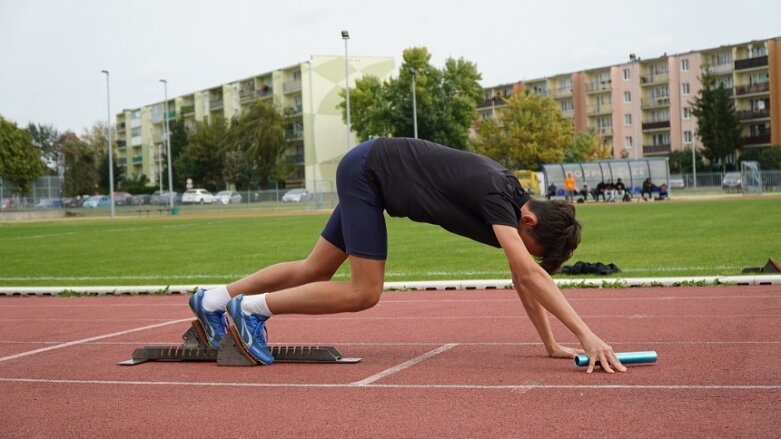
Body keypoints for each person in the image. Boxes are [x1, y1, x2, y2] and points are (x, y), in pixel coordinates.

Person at [188, 137, 626, 374]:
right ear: (529, 225)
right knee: (365, 292)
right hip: (368, 173)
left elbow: (525, 277)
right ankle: (249, 310)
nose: (523, 257)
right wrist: (588, 334)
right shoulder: (499, 197)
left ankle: (211, 300)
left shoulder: (513, 207)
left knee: (315, 268)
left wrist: (550, 344)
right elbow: (530, 275)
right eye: (532, 251)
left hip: (368, 169)